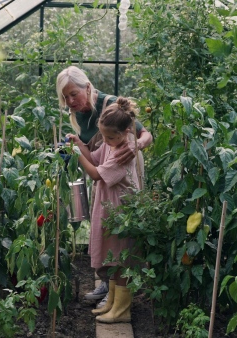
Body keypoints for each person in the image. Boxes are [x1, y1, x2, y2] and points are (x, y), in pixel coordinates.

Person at [56, 66, 153, 307]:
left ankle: (118, 293)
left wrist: (136, 145)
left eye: (73, 94)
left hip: (121, 173)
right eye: (65, 97)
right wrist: (78, 143)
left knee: (120, 237)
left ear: (87, 87)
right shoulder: (78, 115)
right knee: (107, 232)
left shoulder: (111, 106)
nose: (70, 101)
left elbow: (146, 135)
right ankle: (108, 286)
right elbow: (95, 156)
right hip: (106, 176)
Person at [66, 96, 141, 324]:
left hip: (121, 211)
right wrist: (79, 144)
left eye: (111, 137)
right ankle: (112, 304)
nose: (107, 141)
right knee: (113, 258)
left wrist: (77, 156)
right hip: (109, 207)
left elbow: (96, 173)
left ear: (127, 131)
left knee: (121, 260)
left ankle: (122, 310)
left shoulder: (124, 150)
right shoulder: (112, 143)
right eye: (105, 137)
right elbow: (95, 158)